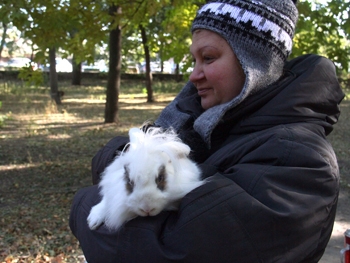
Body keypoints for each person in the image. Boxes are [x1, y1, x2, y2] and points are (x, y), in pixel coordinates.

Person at [69, 0, 345, 262]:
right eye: (194, 60)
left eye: (209, 58)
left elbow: (167, 249)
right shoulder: (196, 124)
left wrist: (82, 204)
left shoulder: (298, 159)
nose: (193, 75)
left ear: (256, 65)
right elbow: (120, 158)